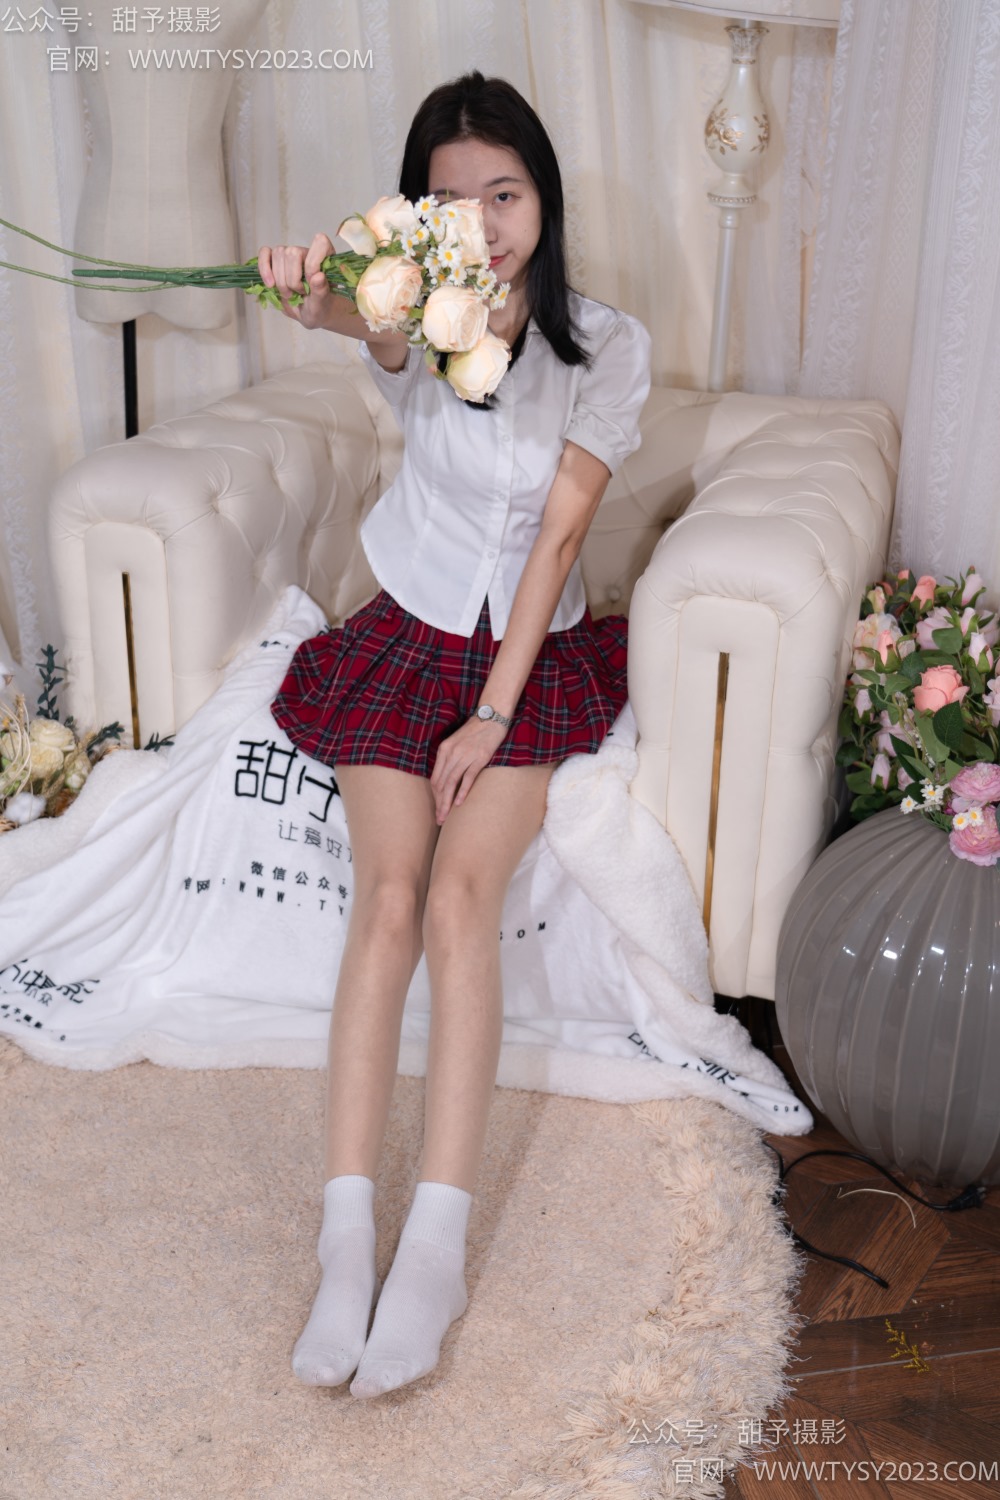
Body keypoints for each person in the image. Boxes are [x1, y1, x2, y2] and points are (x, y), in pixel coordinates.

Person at [257, 69, 651, 1401]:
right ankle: (344, 1239)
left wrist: (492, 716)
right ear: (418, 213)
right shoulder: (415, 307)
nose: (484, 226)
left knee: (456, 902)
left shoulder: (610, 347)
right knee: (387, 900)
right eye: (451, 200)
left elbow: (558, 540)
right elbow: (345, 316)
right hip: (407, 628)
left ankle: (434, 1249)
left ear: (545, 198)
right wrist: (304, 283)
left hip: (524, 658)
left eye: (506, 194)